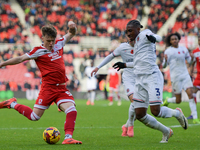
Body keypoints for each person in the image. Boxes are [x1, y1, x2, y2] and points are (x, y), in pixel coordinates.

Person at [0, 22, 82, 144]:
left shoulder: (59, 44)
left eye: (52, 40)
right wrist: (2, 63)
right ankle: (12, 104)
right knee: (34, 117)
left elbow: (71, 33)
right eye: (48, 40)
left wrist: (72, 27)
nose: (51, 43)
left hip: (61, 88)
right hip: (48, 89)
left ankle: (68, 138)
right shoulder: (37, 51)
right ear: (42, 38)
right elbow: (20, 58)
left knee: (72, 110)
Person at [113, 20, 188, 143]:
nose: (128, 33)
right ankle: (166, 131)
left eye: (130, 30)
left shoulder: (145, 34)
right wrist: (124, 64)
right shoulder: (135, 43)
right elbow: (138, 63)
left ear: (138, 29)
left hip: (152, 77)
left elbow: (157, 37)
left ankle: (177, 113)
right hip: (140, 79)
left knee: (155, 111)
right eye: (127, 31)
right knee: (140, 114)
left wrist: (153, 38)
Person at [91, 39, 136, 137]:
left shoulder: (142, 45)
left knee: (141, 109)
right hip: (128, 80)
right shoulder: (123, 48)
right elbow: (110, 57)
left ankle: (126, 126)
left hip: (140, 78)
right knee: (135, 102)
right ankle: (130, 126)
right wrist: (98, 67)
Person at [162, 32, 200, 124]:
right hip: (175, 77)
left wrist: (191, 59)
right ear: (170, 41)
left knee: (191, 95)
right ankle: (168, 100)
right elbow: (164, 65)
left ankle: (195, 117)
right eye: (172, 39)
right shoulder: (168, 51)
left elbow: (190, 62)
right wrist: (166, 60)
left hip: (185, 75)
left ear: (179, 39)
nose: (174, 40)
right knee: (178, 100)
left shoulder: (184, 49)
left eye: (176, 38)